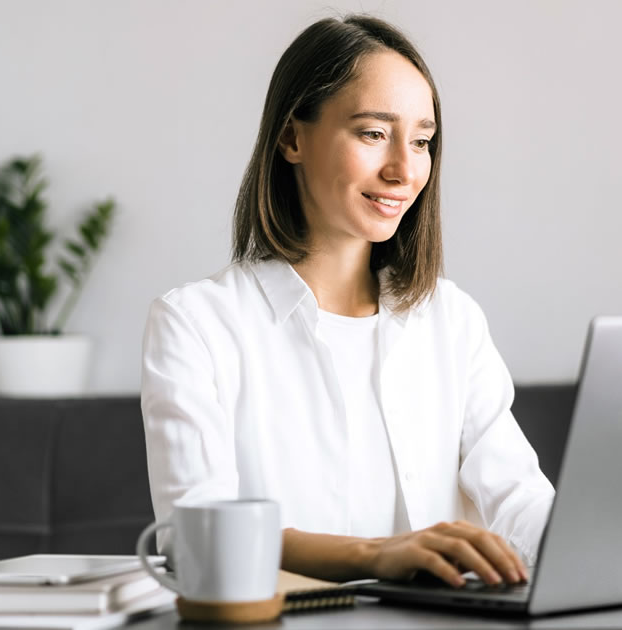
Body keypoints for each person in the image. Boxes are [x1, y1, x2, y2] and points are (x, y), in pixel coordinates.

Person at [141, 14, 553, 590]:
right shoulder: (197, 324)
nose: (404, 171)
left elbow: (520, 501)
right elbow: (195, 538)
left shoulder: (450, 320)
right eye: (372, 133)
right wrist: (374, 555)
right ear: (292, 138)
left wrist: (601, 550)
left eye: (421, 141)